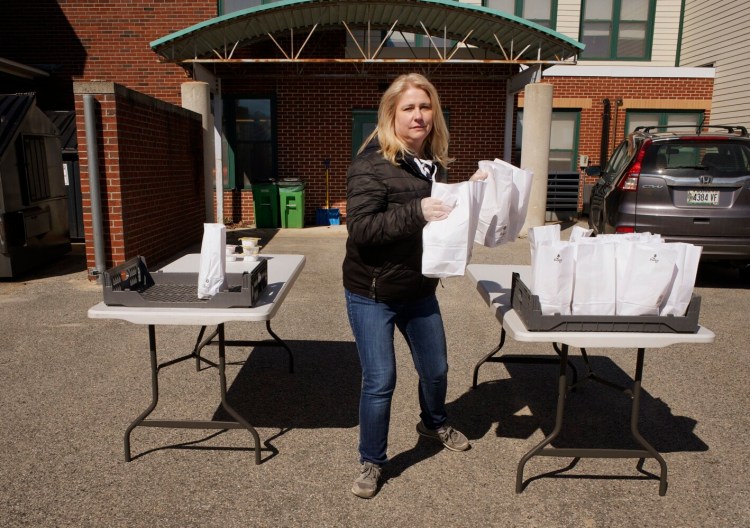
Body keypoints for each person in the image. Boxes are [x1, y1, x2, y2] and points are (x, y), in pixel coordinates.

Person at [343, 73, 480, 499]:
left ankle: (433, 421)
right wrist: (418, 211)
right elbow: (361, 230)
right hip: (373, 292)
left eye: (425, 106)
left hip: (419, 290)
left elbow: (441, 218)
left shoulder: (433, 166)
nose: (418, 115)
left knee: (436, 369)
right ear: (391, 115)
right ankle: (372, 460)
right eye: (409, 108)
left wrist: (470, 195)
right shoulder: (370, 164)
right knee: (380, 379)